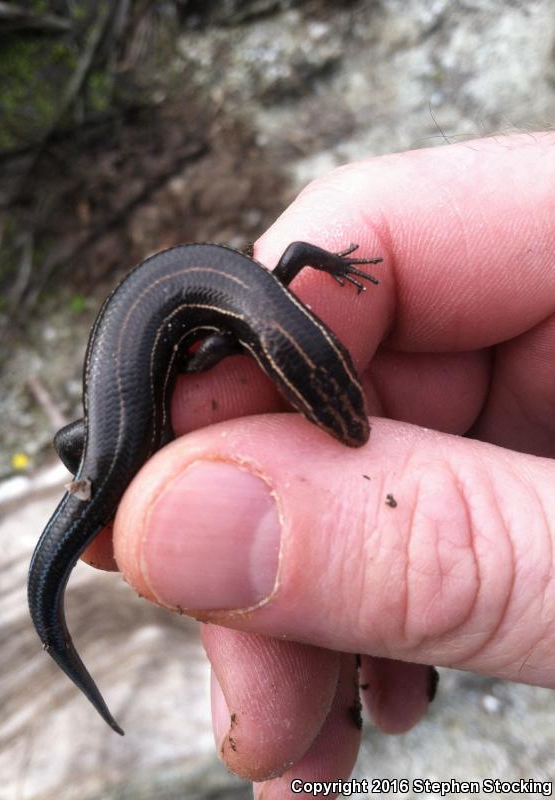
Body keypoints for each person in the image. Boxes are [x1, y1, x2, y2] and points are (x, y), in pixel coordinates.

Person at [90, 132, 555, 798]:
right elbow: (291, 266)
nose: (340, 424)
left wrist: (202, 352)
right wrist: (330, 272)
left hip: (175, 319)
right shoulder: (252, 330)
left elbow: (291, 264)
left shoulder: (254, 324)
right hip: (162, 346)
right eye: (322, 412)